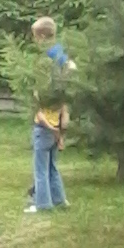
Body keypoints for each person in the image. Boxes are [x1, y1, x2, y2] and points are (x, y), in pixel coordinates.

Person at [26, 15, 76, 212]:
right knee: (53, 167)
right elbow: (71, 67)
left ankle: (43, 204)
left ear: (41, 36)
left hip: (45, 124)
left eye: (35, 37)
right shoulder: (60, 53)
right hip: (57, 120)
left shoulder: (47, 56)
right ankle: (60, 200)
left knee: (40, 169)